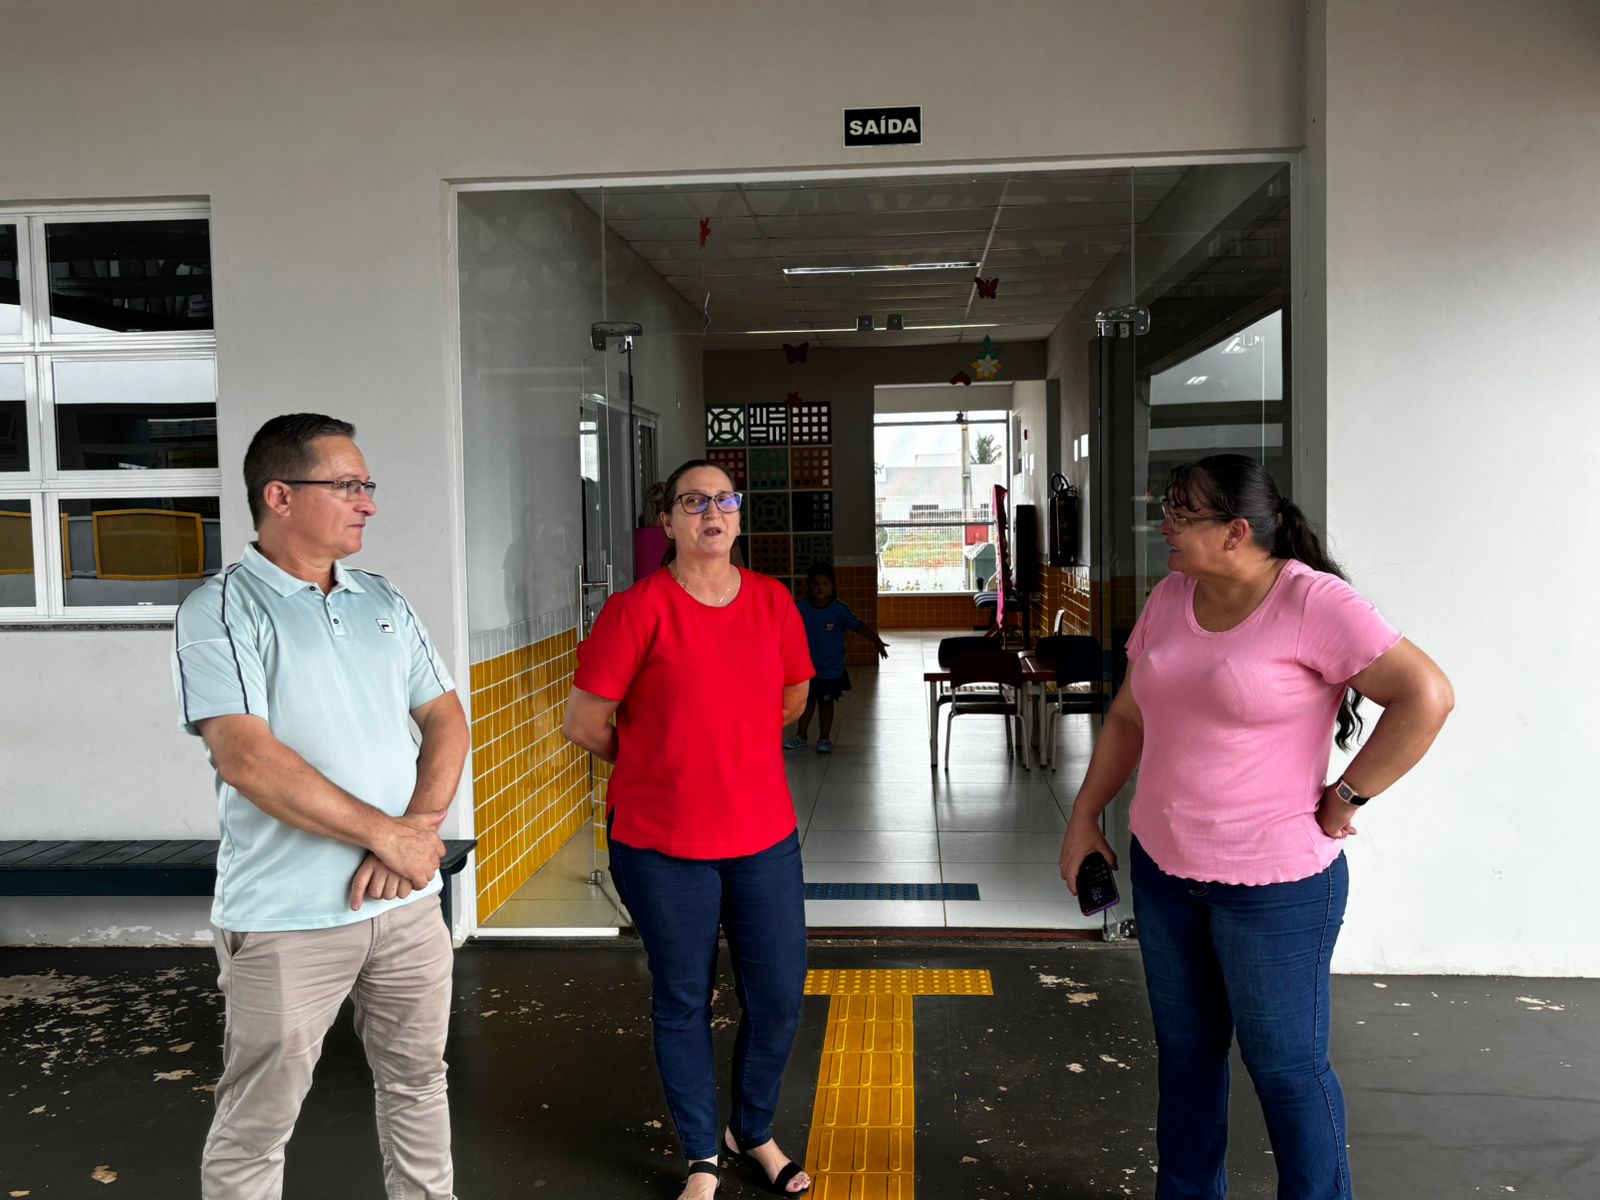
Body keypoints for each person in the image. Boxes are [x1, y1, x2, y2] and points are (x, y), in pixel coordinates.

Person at [1057, 453, 1453, 1200]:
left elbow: (1426, 696)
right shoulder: (1172, 596)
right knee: (1187, 1059)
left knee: (1286, 1070)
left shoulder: (1313, 602)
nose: (1164, 527)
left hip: (1275, 888)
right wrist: (1084, 818)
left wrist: (1347, 797)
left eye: (1181, 515)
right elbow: (1129, 717)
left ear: (1237, 531)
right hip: (1164, 872)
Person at [171, 413, 469, 1200]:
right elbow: (248, 758)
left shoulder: (381, 597)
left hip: (406, 904)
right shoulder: (221, 609)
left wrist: (414, 835)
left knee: (419, 1085)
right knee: (257, 1125)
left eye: (366, 485)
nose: (368, 502)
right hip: (288, 916)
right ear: (280, 496)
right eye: (347, 485)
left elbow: (446, 716)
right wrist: (388, 837)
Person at [562, 459, 815, 1200]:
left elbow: (794, 697)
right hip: (661, 844)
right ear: (667, 521)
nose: (712, 512)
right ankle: (703, 1154)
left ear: (739, 516)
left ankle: (752, 1131)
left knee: (777, 996)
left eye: (724, 500)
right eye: (693, 501)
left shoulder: (771, 601)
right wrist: (660, 759)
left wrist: (730, 749)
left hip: (763, 837)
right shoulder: (634, 611)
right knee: (683, 998)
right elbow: (584, 723)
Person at [784, 560, 888, 753]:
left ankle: (824, 738)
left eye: (825, 583)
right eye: (816, 584)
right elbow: (783, 629)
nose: (820, 588)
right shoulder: (800, 608)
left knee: (826, 703)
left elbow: (858, 625)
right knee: (806, 704)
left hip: (830, 669)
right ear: (809, 587)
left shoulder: (839, 609)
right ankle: (801, 736)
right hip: (806, 669)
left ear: (832, 586)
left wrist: (876, 640)